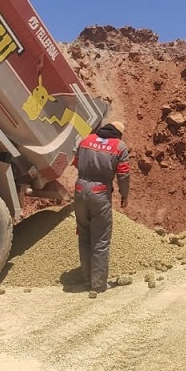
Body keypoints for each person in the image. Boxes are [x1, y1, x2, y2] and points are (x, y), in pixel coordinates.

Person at [71, 120, 130, 297]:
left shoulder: (85, 140)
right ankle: (98, 285)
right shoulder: (119, 146)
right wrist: (124, 194)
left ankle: (86, 279)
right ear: (119, 134)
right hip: (100, 193)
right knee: (101, 240)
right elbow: (123, 174)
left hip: (80, 190)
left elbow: (75, 162)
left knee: (84, 235)